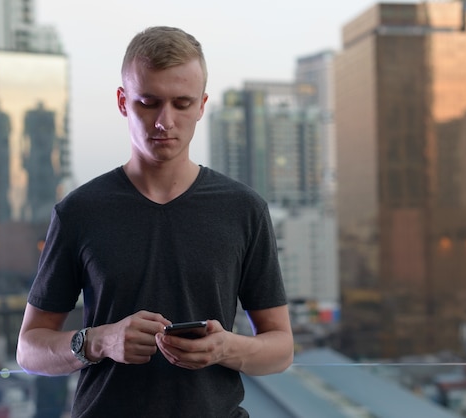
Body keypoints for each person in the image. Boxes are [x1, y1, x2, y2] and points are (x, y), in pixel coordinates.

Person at [16, 26, 293, 417]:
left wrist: (226, 347)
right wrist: (100, 341)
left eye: (182, 103)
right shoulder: (79, 211)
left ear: (202, 105)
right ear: (122, 101)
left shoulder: (244, 209)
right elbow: (29, 350)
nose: (165, 121)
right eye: (149, 102)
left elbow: (281, 349)